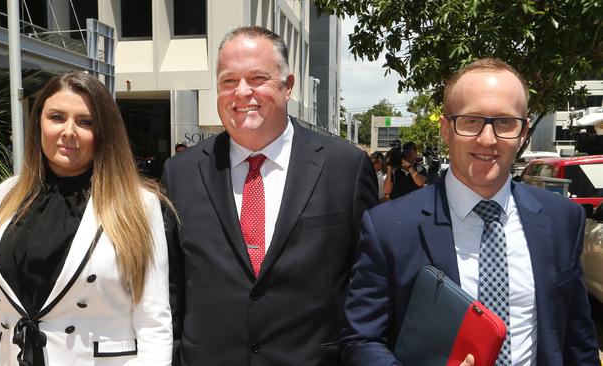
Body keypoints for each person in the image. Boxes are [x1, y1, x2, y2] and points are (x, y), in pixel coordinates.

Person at [341, 58, 599, 365]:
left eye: (505, 122)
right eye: (471, 121)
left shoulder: (562, 220)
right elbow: (361, 339)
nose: (487, 139)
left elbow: (578, 339)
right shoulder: (389, 228)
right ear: (446, 129)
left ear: (524, 132)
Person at [161, 26, 378, 366]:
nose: (242, 92)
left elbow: (366, 286)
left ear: (288, 86)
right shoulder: (180, 173)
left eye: (258, 78)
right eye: (228, 81)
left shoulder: (345, 169)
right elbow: (170, 291)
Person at [0, 72, 173, 365]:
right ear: (39, 122)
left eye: (85, 122)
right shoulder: (6, 194)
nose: (69, 131)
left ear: (104, 132)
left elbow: (154, 319)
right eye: (56, 117)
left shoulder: (138, 203)